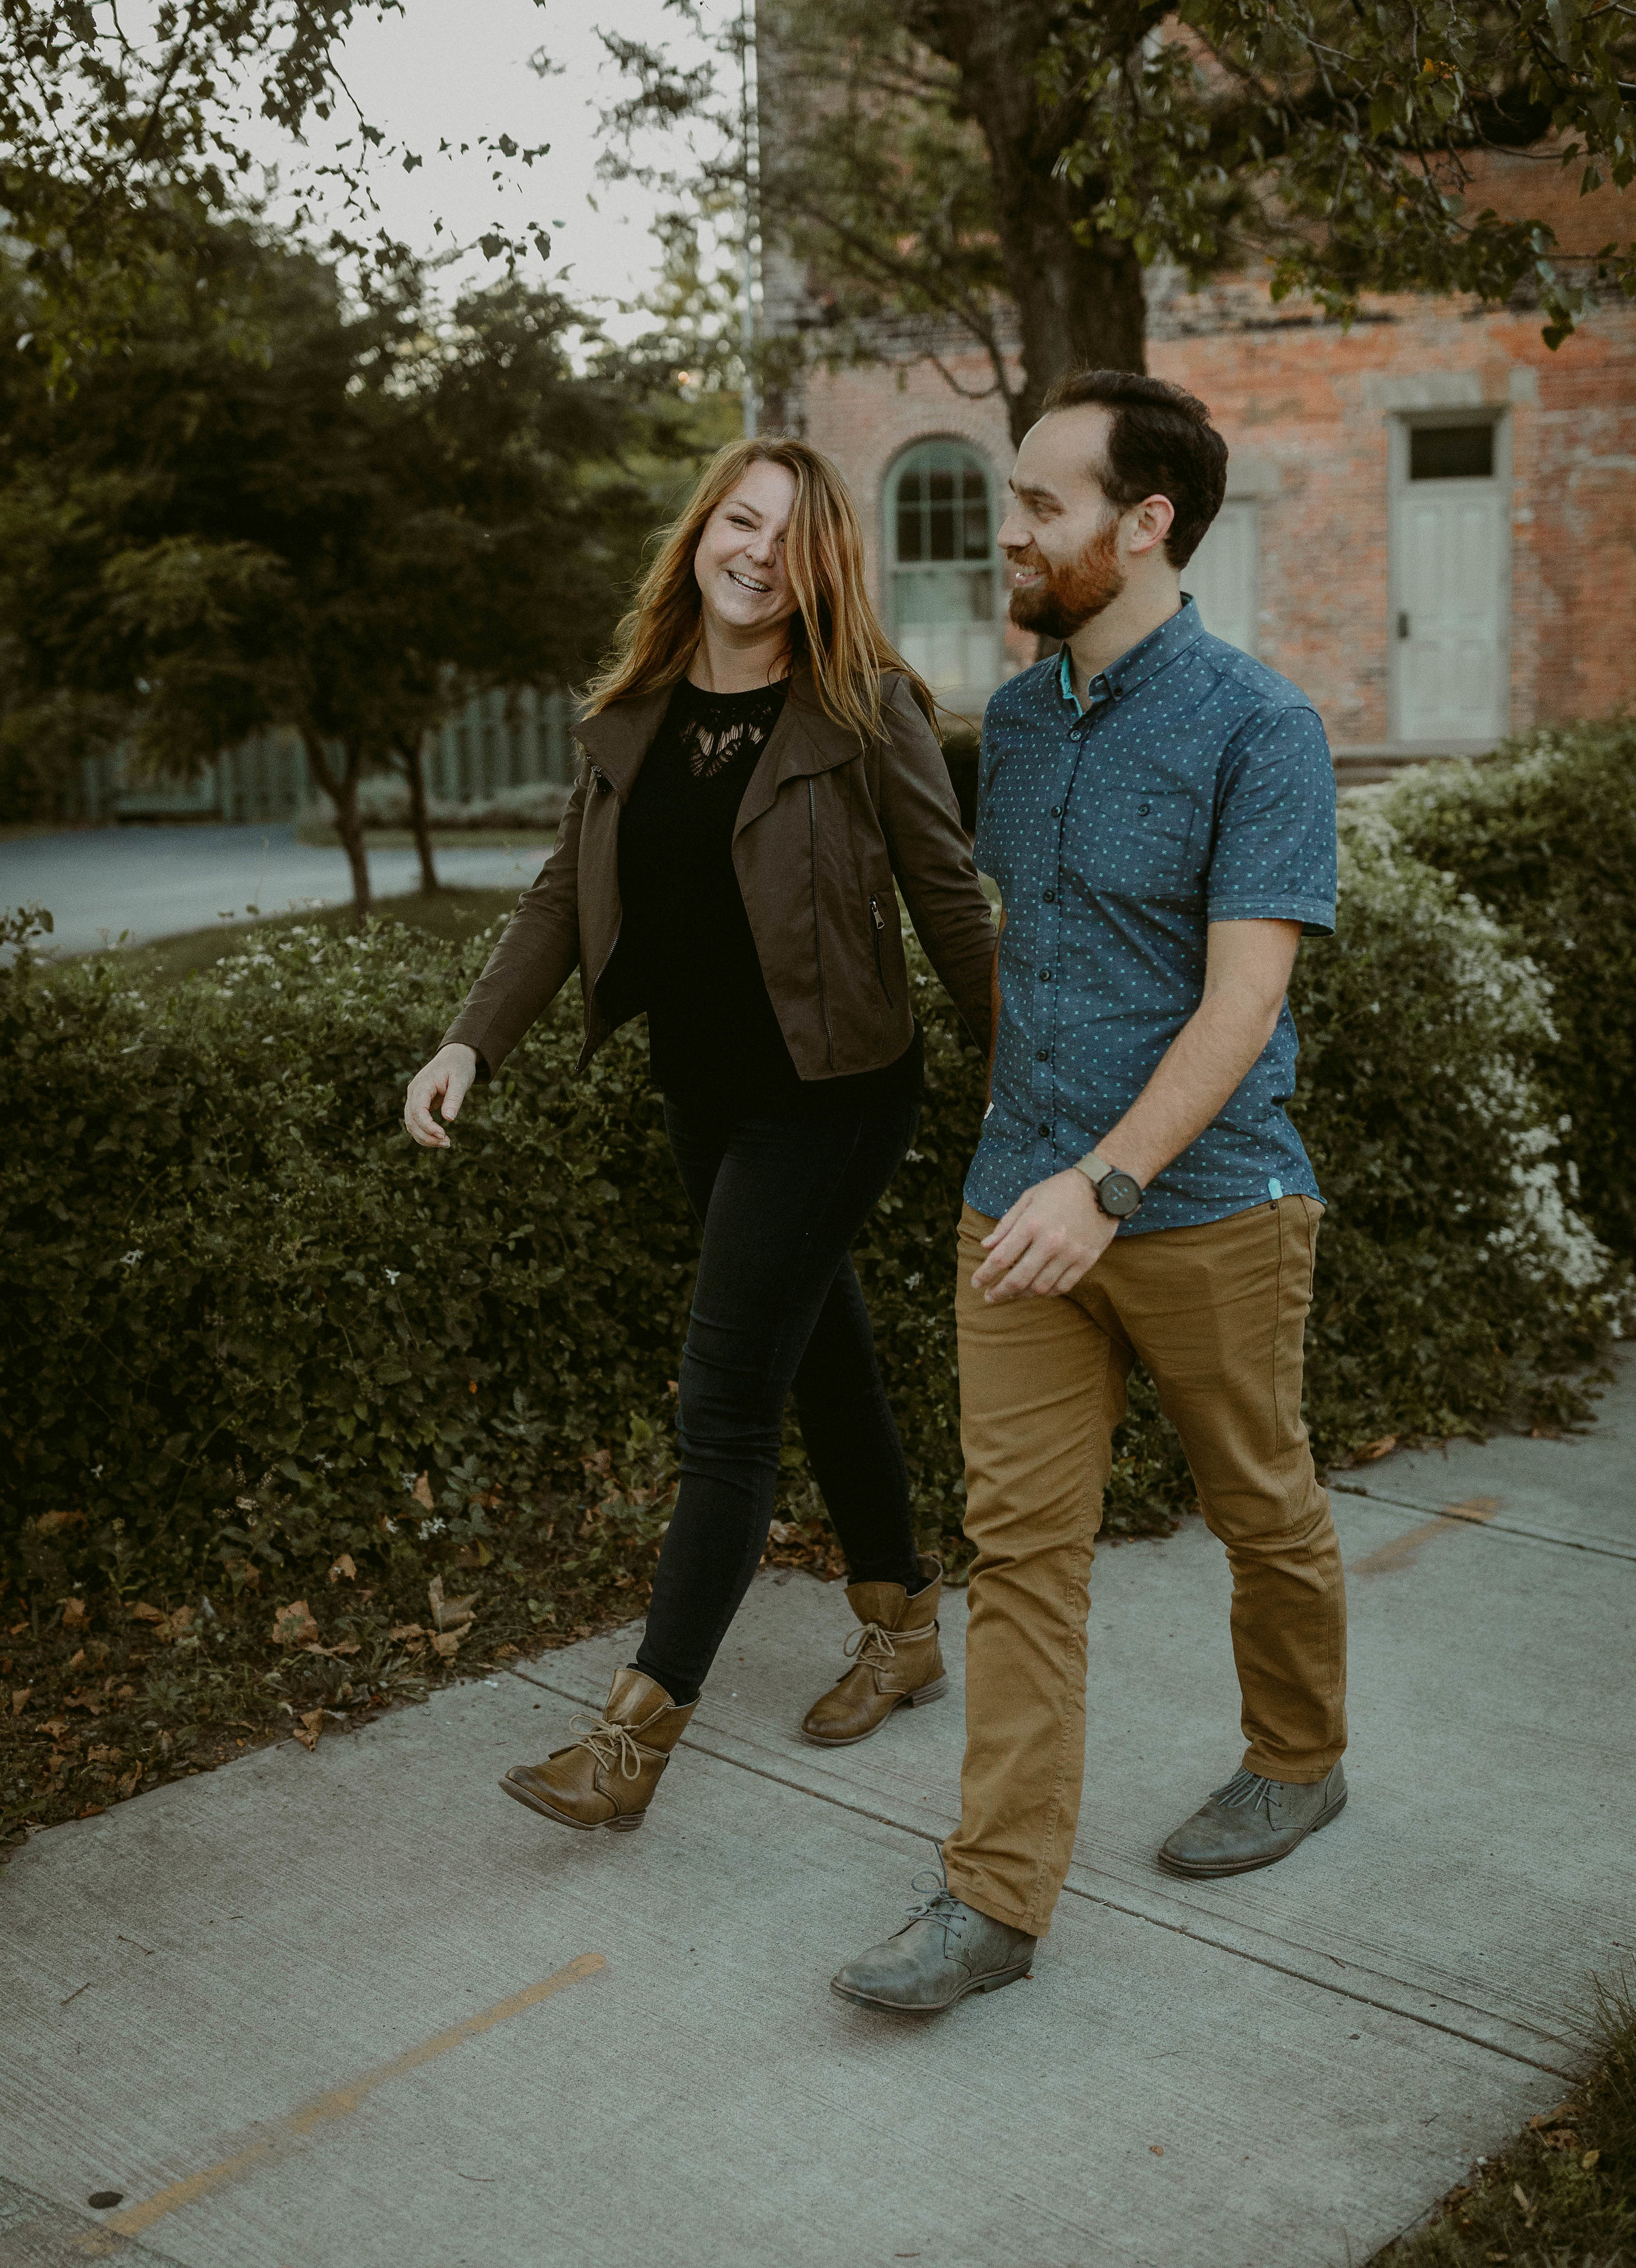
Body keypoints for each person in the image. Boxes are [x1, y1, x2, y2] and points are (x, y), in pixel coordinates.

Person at [832, 370, 1345, 2015]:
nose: (1012, 528)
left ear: (1147, 524)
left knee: (1259, 1498)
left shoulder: (1261, 726)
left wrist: (1106, 1181)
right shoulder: (1021, 723)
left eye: (1046, 502)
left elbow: (1240, 1000)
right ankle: (992, 1902)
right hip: (1017, 1208)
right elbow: (1017, 957)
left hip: (1203, 1206)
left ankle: (1298, 1756)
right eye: (1017, 495)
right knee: (1022, 1553)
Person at [404, 437, 997, 1835]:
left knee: (724, 1406)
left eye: (791, 540)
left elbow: (952, 909)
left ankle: (633, 1740)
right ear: (701, 532)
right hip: (706, 1094)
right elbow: (565, 891)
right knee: (824, 1346)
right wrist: (466, 1039)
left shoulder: (866, 710)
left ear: (824, 567)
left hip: (838, 1094)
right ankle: (904, 1622)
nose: (758, 555)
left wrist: (1028, 1102)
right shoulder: (640, 711)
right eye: (741, 522)